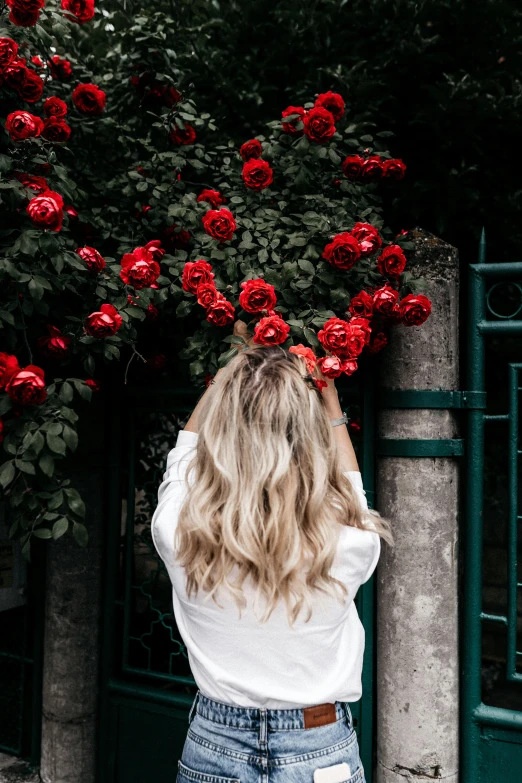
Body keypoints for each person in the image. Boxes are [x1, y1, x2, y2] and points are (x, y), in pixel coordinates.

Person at [151, 322, 391, 783]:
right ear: (309, 436)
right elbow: (352, 491)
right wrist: (332, 403)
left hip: (214, 741)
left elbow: (183, 453)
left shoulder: (177, 529)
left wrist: (234, 367)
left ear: (224, 430)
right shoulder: (350, 541)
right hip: (319, 745)